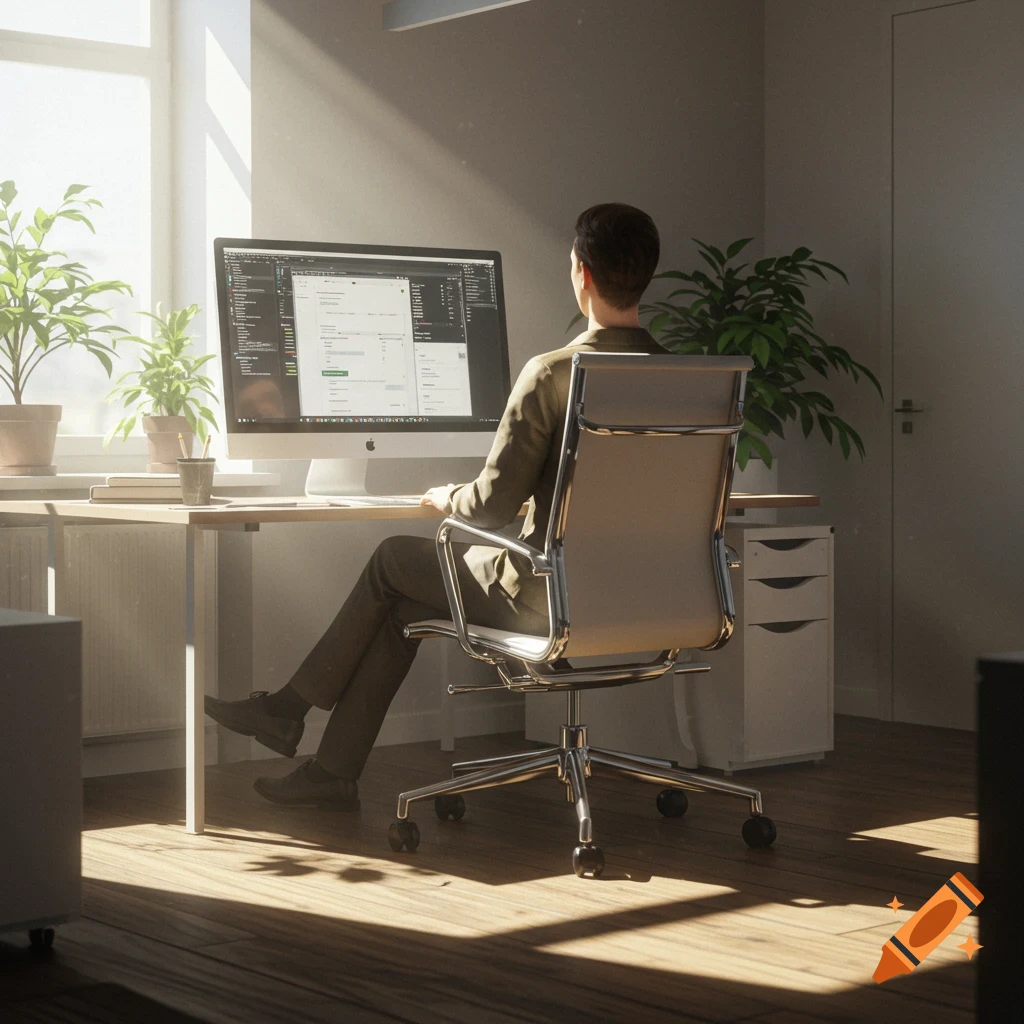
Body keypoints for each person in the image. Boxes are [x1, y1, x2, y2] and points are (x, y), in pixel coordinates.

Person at [204, 202, 668, 810]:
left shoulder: (553, 373)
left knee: (393, 560)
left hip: (545, 597)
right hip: (645, 596)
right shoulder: (679, 378)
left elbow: (488, 509)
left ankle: (288, 710)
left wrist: (444, 495)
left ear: (580, 272)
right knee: (400, 609)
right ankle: (329, 770)